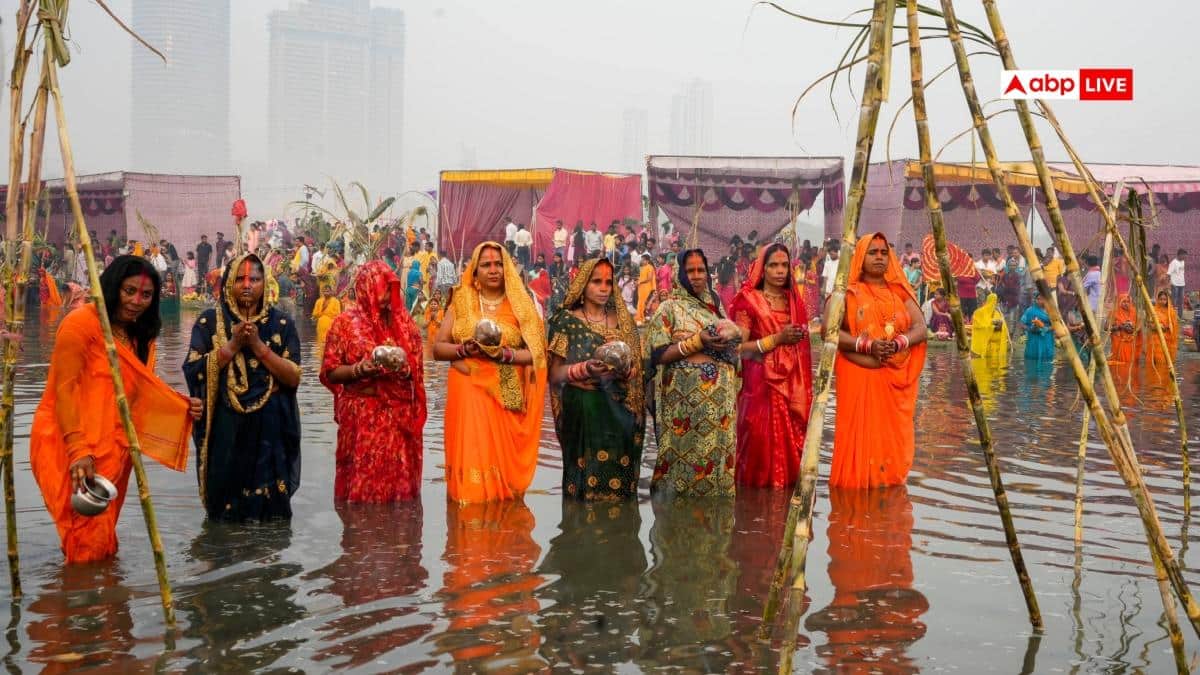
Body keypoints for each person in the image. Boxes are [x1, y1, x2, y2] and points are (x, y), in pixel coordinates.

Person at [31, 256, 199, 563]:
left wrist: (181, 406)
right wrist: (78, 449)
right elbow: (64, 389)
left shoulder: (141, 336)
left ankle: (98, 598)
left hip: (115, 446)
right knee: (86, 539)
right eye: (129, 291)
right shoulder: (81, 323)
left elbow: (139, 391)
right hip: (70, 442)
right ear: (112, 288)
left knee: (101, 537)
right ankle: (83, 597)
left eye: (146, 295)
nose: (136, 301)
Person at [183, 253, 302, 521]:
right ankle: (225, 553)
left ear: (265, 283)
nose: (247, 285)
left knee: (272, 513)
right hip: (225, 426)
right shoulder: (209, 322)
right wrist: (232, 346)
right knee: (225, 511)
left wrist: (259, 347)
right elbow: (192, 370)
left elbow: (294, 377)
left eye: (255, 279)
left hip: (270, 427)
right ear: (228, 284)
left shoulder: (282, 324)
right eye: (240, 279)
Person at [432, 243, 547, 503]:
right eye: (486, 265)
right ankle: (469, 529)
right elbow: (438, 348)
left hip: (505, 396)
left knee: (502, 475)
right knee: (472, 460)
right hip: (468, 390)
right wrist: (465, 350)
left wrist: (504, 355)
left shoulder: (521, 305)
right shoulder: (460, 299)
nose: (493, 270)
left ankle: (502, 526)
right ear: (474, 271)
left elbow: (538, 354)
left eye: (498, 264)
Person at [320, 261, 426, 502]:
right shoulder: (344, 323)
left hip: (398, 418)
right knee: (361, 496)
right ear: (366, 288)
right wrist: (359, 370)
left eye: (391, 288)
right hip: (361, 418)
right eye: (383, 288)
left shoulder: (404, 325)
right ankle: (362, 534)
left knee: (399, 500)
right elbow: (330, 372)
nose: (388, 296)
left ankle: (399, 535)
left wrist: (404, 367)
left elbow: (417, 374)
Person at [831, 233, 928, 489]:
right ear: (860, 257)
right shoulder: (847, 292)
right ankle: (853, 497)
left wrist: (898, 343)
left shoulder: (899, 292)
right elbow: (828, 331)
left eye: (883, 253)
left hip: (893, 377)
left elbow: (920, 327)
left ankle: (886, 492)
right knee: (858, 440)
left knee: (889, 441)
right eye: (872, 252)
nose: (879, 257)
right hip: (858, 374)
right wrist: (868, 345)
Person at [546, 258, 645, 500]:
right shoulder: (566, 321)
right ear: (583, 285)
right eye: (596, 282)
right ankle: (581, 536)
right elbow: (554, 373)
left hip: (620, 415)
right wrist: (585, 369)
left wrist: (626, 370)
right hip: (583, 413)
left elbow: (637, 368)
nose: (603, 288)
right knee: (584, 492)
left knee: (619, 487)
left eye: (608, 283)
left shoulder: (624, 322)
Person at [647, 249, 739, 497]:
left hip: (718, 411)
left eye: (701, 270)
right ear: (679, 273)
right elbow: (657, 355)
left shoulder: (716, 310)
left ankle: (715, 531)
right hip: (684, 411)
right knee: (680, 477)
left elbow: (734, 351)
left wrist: (729, 341)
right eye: (691, 271)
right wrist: (697, 341)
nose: (697, 276)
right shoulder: (669, 308)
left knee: (715, 477)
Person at [730, 244, 812, 488]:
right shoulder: (749, 301)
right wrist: (776, 340)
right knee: (758, 443)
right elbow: (737, 348)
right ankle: (753, 504)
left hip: (791, 383)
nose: (780, 271)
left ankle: (782, 504)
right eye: (774, 265)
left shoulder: (794, 302)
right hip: (759, 386)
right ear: (762, 270)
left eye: (784, 265)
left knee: (791, 447)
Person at [969, 293, 1009, 363]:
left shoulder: (998, 313)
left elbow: (1003, 327)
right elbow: (978, 326)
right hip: (981, 347)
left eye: (997, 301)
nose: (995, 303)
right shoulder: (979, 312)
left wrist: (998, 325)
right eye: (994, 301)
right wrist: (993, 326)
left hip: (995, 350)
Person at [1146, 289, 1179, 370]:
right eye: (1161, 299)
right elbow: (1149, 325)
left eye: (1164, 299)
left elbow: (1174, 327)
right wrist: (1158, 327)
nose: (1162, 301)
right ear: (1158, 299)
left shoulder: (1171, 312)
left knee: (1167, 363)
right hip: (1156, 339)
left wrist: (1167, 327)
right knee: (1158, 362)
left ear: (1167, 300)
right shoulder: (1153, 310)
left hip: (1168, 340)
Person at [1020, 294, 1055, 361]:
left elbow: (1057, 325)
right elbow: (1022, 324)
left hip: (1046, 339)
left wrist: (1046, 328)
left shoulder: (1051, 310)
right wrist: (1030, 329)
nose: (1039, 301)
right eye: (1038, 299)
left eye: (1041, 299)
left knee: (1047, 362)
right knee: (1031, 361)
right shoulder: (1030, 310)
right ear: (1035, 300)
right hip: (1033, 339)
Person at [1109, 294, 1138, 363]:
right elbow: (1106, 328)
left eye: (1128, 301)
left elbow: (1137, 327)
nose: (1126, 304)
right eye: (1124, 302)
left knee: (1129, 363)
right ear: (1119, 302)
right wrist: (1120, 327)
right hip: (1117, 342)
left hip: (1130, 342)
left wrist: (1131, 329)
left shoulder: (1133, 312)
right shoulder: (1114, 312)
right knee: (1118, 362)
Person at [636, 255, 656, 324]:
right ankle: (640, 317)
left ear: (647, 260)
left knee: (642, 303)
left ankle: (640, 318)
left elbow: (649, 278)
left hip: (646, 287)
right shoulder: (642, 267)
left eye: (643, 260)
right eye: (641, 259)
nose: (642, 261)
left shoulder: (650, 267)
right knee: (640, 302)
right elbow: (642, 277)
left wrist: (640, 281)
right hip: (641, 287)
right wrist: (638, 281)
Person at [1168, 249, 1187, 320]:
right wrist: (1168, 285)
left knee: (1181, 301)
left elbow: (1181, 273)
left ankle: (1180, 316)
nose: (1185, 258)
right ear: (1179, 254)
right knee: (1174, 301)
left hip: (1182, 284)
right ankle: (1173, 316)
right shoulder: (1173, 263)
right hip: (1175, 284)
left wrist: (1183, 282)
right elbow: (1168, 274)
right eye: (1184, 256)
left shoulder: (1183, 262)